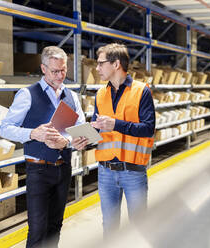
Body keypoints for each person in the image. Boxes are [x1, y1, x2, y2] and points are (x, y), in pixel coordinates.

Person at [0, 46, 89, 248]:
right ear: (43, 68)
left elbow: (79, 130)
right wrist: (32, 133)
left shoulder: (72, 96)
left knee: (55, 226)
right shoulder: (27, 94)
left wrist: (70, 141)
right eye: (54, 71)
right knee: (38, 229)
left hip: (63, 168)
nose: (60, 75)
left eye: (63, 70)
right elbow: (5, 128)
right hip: (38, 170)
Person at [91, 43, 155, 237]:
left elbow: (148, 129)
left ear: (116, 64)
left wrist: (116, 124)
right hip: (105, 172)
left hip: (133, 171)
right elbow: (97, 128)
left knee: (139, 227)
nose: (97, 68)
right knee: (109, 227)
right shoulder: (100, 94)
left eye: (101, 63)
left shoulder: (141, 91)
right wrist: (85, 139)